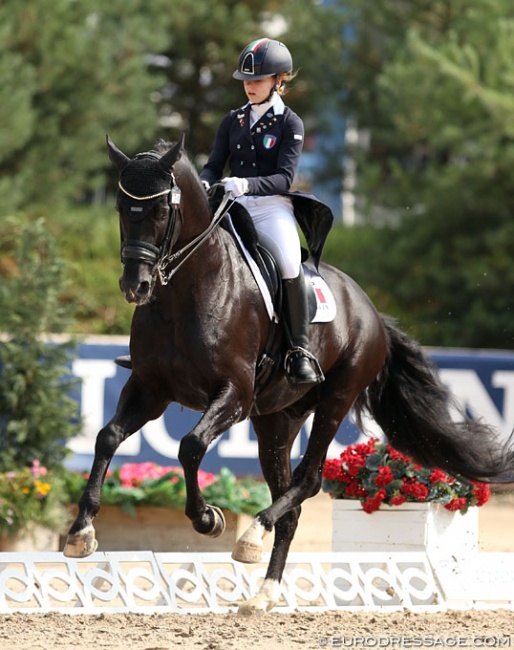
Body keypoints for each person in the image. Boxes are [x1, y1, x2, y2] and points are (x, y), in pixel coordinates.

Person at [200, 37, 330, 387]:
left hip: (271, 207)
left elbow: (284, 178)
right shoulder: (232, 121)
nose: (249, 86)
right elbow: (214, 165)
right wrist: (203, 181)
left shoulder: (290, 124)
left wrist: (246, 184)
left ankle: (299, 350)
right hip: (232, 203)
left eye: (257, 80)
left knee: (289, 263)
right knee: (187, 248)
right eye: (246, 79)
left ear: (279, 80)